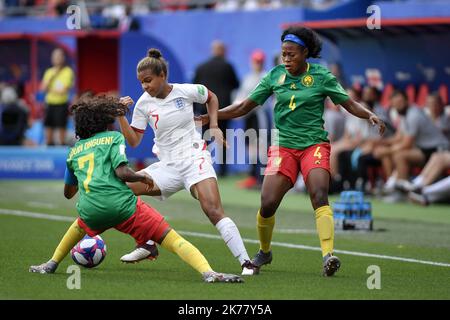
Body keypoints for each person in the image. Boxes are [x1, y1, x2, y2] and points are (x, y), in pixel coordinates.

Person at [198, 26, 385, 276]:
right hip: (283, 146)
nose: (286, 59)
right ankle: (264, 251)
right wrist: (211, 115)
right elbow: (244, 106)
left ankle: (328, 255)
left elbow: (348, 103)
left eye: (291, 54)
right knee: (267, 203)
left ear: (305, 53)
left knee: (319, 193)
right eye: (284, 54)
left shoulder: (321, 76)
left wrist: (369, 114)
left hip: (314, 145)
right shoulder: (275, 76)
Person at [29, 94, 243, 284]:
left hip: (91, 209)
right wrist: (141, 176)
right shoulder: (113, 137)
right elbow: (123, 173)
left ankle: (51, 263)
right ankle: (209, 272)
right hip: (123, 207)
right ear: (104, 121)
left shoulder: (74, 151)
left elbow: (68, 194)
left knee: (79, 225)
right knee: (174, 240)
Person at [117, 49, 259, 276]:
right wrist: (121, 116)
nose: (144, 86)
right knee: (120, 191)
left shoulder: (185, 91)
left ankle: (246, 263)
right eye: (141, 82)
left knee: (212, 210)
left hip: (194, 159)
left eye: (148, 80)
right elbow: (134, 141)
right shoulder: (143, 104)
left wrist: (213, 125)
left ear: (162, 75)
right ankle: (146, 243)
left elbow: (211, 97)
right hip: (167, 167)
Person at [193, 40, 240, 176]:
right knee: (223, 138)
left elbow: (195, 89)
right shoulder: (228, 67)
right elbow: (235, 84)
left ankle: (200, 166)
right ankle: (223, 171)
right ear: (223, 51)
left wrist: (196, 108)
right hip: (222, 110)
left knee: (204, 139)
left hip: (204, 110)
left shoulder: (201, 67)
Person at [235, 49, 271, 189]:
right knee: (250, 146)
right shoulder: (248, 78)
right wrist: (238, 108)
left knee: (262, 145)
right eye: (256, 61)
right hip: (249, 116)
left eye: (260, 62)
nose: (258, 64)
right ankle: (252, 176)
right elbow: (241, 96)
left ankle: (262, 178)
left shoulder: (266, 76)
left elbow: (263, 98)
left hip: (260, 115)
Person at [41, 48, 74, 145]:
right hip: (49, 104)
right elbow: (42, 88)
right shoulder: (49, 72)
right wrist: (51, 77)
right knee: (48, 129)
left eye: (59, 56)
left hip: (61, 104)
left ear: (63, 58)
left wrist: (49, 89)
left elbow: (63, 91)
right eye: (55, 56)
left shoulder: (68, 71)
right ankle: (49, 148)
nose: (57, 58)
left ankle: (62, 150)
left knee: (61, 131)